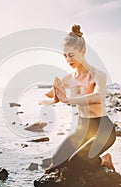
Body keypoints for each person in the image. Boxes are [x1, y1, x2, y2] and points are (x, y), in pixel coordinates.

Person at [39, 24, 116, 173]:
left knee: (76, 163)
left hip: (103, 129)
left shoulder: (98, 75)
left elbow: (98, 97)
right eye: (65, 55)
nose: (68, 59)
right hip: (82, 129)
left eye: (71, 55)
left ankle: (104, 160)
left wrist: (67, 100)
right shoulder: (68, 78)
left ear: (83, 51)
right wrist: (55, 93)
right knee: (56, 162)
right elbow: (51, 95)